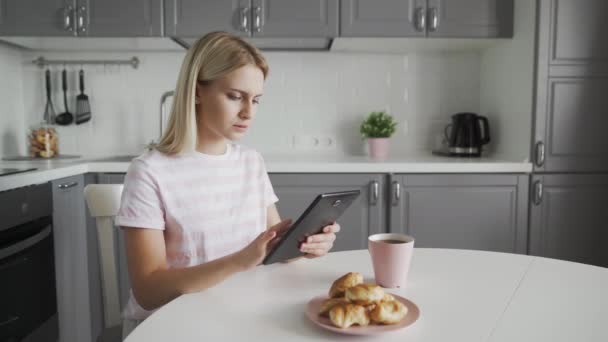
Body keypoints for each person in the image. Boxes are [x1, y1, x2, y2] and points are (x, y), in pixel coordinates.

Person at [115, 31, 341, 339]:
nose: (248, 112)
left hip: (239, 315)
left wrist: (304, 246)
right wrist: (238, 261)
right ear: (197, 92)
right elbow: (148, 291)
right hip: (171, 326)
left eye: (256, 99)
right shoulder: (149, 172)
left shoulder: (251, 162)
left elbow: (273, 246)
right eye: (235, 96)